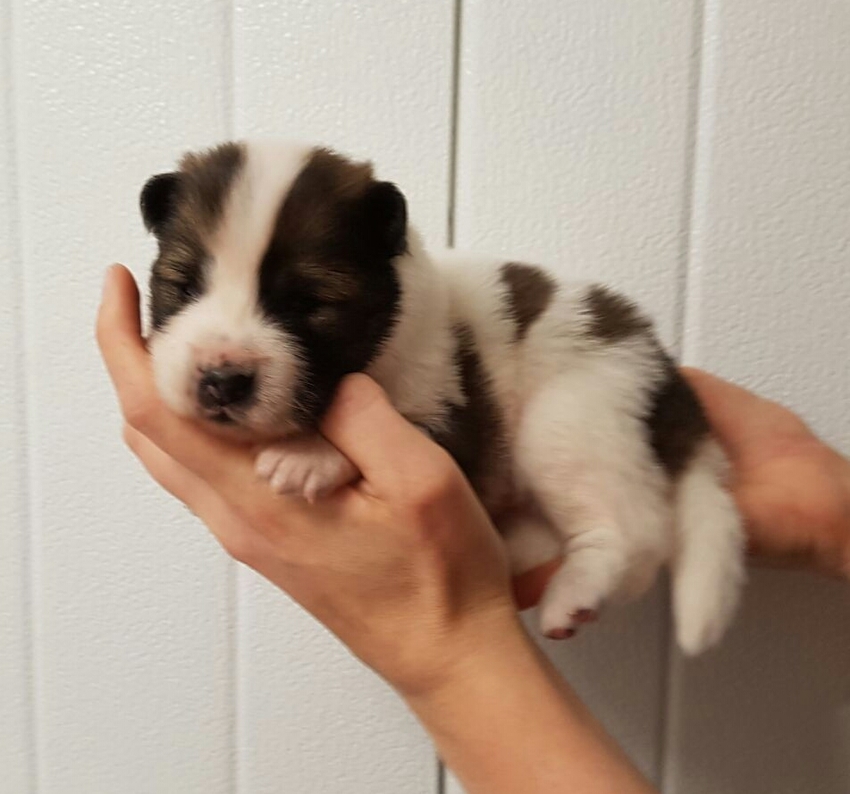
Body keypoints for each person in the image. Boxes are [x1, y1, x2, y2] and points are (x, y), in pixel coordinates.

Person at [97, 264, 850, 794]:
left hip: (579, 370)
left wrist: (446, 646)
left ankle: (605, 542)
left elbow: (425, 423)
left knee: (561, 439)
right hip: (554, 418)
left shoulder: (416, 326)